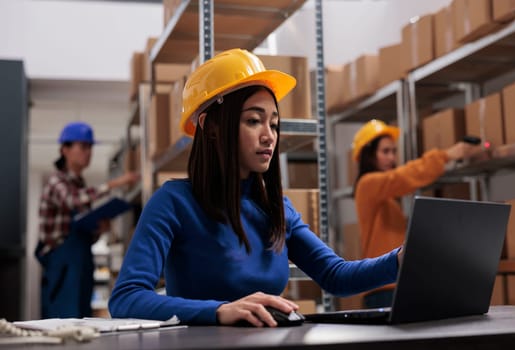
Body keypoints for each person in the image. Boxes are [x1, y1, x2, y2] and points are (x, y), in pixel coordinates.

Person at [109, 48, 401, 327]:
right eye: (253, 121)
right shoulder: (173, 202)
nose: (269, 136)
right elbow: (126, 298)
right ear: (210, 127)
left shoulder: (277, 209)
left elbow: (336, 276)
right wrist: (219, 310)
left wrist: (401, 258)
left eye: (273, 124)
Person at [351, 119, 483, 309]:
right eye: (385, 151)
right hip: (382, 290)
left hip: (396, 285)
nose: (391, 158)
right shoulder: (367, 184)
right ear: (369, 155)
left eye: (394, 151)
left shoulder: (385, 198)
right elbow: (403, 177)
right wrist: (447, 155)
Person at [35, 121, 140, 318]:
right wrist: (114, 184)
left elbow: (80, 227)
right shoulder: (56, 181)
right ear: (64, 149)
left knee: (81, 317)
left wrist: (98, 229)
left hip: (81, 260)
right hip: (63, 264)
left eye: (90, 147)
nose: (88, 152)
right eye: (83, 147)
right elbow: (73, 201)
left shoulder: (80, 184)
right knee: (63, 319)